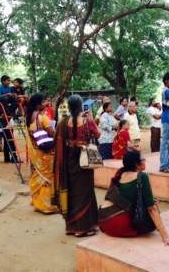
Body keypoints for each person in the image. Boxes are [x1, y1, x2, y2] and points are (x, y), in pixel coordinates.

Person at [98, 151, 169, 247]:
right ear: (137, 164)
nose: (145, 161)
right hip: (117, 225)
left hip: (104, 223)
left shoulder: (120, 173)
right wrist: (165, 236)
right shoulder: (142, 176)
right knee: (154, 208)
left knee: (151, 203)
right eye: (143, 160)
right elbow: (151, 209)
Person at [53, 94, 101, 237]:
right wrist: (91, 117)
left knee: (72, 192)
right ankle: (82, 228)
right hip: (84, 160)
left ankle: (71, 227)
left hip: (69, 160)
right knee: (85, 193)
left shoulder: (63, 122)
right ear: (81, 106)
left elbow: (57, 139)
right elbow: (98, 135)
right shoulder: (87, 121)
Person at [27, 93, 58, 214]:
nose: (46, 104)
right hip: (46, 152)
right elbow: (52, 133)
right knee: (47, 177)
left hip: (36, 153)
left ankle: (37, 201)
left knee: (37, 175)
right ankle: (45, 205)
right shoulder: (42, 117)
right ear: (38, 104)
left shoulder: (29, 116)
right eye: (44, 101)